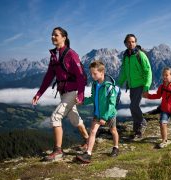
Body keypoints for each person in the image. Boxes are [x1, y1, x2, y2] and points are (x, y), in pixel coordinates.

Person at [32, 27, 89, 161]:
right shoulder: (54, 56)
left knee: (55, 117)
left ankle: (58, 151)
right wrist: (39, 94)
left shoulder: (71, 54)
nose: (53, 37)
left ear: (64, 37)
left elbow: (80, 76)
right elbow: (48, 77)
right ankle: (88, 140)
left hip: (73, 91)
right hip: (64, 92)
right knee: (75, 119)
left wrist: (80, 95)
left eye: (56, 35)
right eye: (52, 35)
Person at [76, 61, 120, 163]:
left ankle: (116, 147)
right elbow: (92, 98)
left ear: (102, 72)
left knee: (113, 130)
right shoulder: (95, 84)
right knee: (92, 131)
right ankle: (88, 154)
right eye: (91, 73)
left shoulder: (109, 87)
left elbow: (111, 104)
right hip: (97, 113)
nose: (92, 76)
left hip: (109, 114)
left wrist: (104, 117)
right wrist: (82, 101)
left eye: (94, 73)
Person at [117, 34, 152, 139]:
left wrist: (146, 87)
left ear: (135, 42)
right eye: (128, 42)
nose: (131, 44)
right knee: (133, 107)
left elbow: (148, 71)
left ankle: (142, 122)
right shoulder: (126, 56)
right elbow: (123, 71)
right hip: (132, 86)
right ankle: (137, 130)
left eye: (133, 41)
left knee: (133, 106)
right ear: (125, 43)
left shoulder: (140, 55)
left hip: (140, 85)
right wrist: (117, 84)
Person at [144, 67, 171, 148]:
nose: (164, 77)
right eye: (163, 75)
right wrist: (148, 96)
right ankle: (164, 141)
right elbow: (158, 96)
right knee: (162, 123)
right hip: (164, 110)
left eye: (166, 75)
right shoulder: (162, 87)